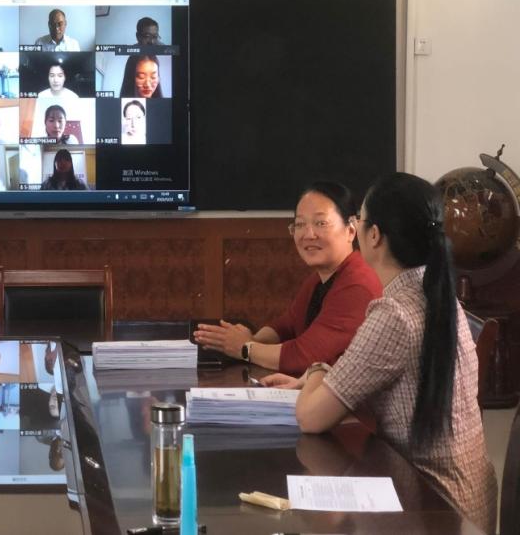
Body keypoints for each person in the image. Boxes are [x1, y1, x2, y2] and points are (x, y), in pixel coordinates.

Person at [261, 173, 498, 532]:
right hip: (466, 501)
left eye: (360, 220)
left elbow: (311, 418)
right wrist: (321, 378)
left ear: (373, 236)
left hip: (431, 508)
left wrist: (317, 371)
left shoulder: (394, 313)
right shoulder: (436, 295)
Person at [194, 181, 382, 375]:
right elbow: (286, 325)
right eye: (300, 224)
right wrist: (250, 341)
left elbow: (304, 356)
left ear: (351, 230)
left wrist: (245, 348)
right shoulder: (319, 279)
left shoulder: (357, 285)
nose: (308, 235)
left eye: (321, 223)